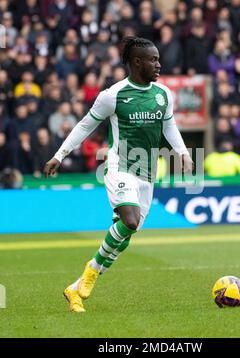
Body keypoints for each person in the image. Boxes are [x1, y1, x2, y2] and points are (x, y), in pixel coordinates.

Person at [43, 37, 193, 313]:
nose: (159, 65)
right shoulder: (113, 95)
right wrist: (59, 155)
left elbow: (169, 126)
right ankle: (90, 272)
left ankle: (75, 288)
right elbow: (85, 125)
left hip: (148, 173)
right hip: (119, 166)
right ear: (137, 62)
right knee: (130, 220)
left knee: (124, 236)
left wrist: (182, 152)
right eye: (153, 60)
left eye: (159, 59)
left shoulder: (163, 94)